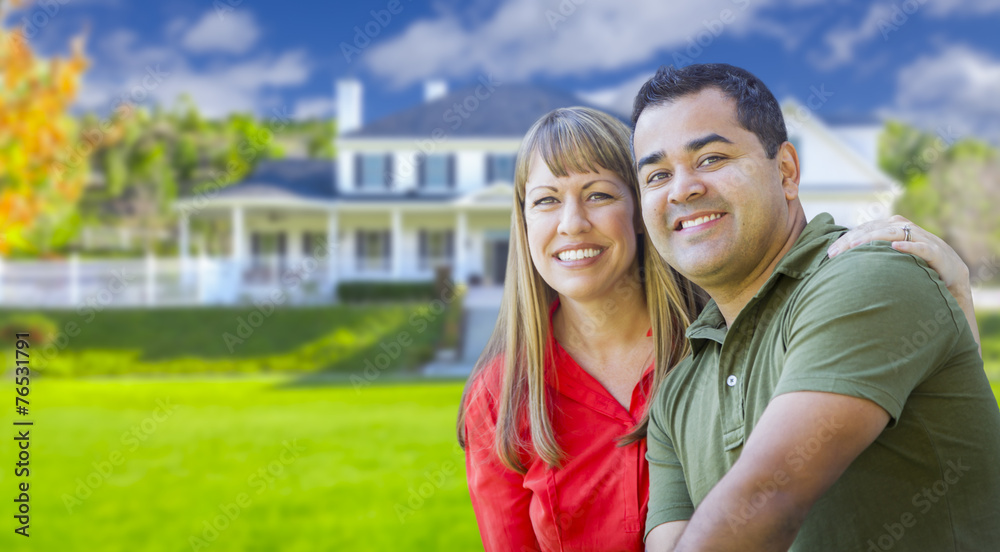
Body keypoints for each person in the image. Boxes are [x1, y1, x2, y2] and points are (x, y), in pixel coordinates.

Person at [458, 106, 981, 552]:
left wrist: (952, 305)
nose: (572, 222)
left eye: (598, 194)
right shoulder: (500, 396)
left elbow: (938, 438)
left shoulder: (725, 335)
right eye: (546, 200)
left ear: (641, 209)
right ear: (523, 221)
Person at [631, 63, 1000, 551]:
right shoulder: (676, 392)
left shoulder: (868, 274)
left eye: (712, 158)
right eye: (657, 175)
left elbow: (769, 495)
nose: (682, 189)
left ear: (786, 170)